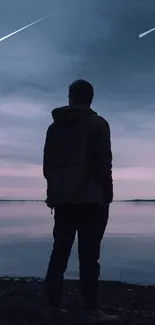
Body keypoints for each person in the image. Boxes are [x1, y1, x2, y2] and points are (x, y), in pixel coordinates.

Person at [43, 79, 118, 323]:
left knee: (59, 252)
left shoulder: (54, 128)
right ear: (91, 98)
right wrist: (107, 193)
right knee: (89, 256)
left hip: (63, 200)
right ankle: (91, 309)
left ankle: (52, 305)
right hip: (90, 199)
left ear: (70, 97)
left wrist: (54, 192)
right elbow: (102, 163)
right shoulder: (98, 124)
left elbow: (48, 166)